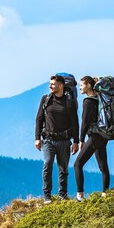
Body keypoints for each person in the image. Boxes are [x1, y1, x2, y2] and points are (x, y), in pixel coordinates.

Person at [35, 75, 79, 203]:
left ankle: (62, 194)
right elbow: (39, 119)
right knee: (47, 163)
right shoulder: (45, 99)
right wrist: (37, 138)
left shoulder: (69, 101)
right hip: (48, 139)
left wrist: (76, 141)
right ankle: (47, 195)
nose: (50, 86)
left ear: (61, 85)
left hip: (64, 140)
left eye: (53, 84)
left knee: (63, 168)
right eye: (50, 84)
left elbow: (75, 122)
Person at [73, 76, 110, 201]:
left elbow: (85, 123)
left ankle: (80, 196)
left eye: (82, 85)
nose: (80, 88)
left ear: (89, 85)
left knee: (77, 164)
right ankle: (105, 194)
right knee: (103, 166)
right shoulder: (99, 99)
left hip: (94, 136)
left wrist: (81, 140)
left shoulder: (88, 101)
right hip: (103, 136)